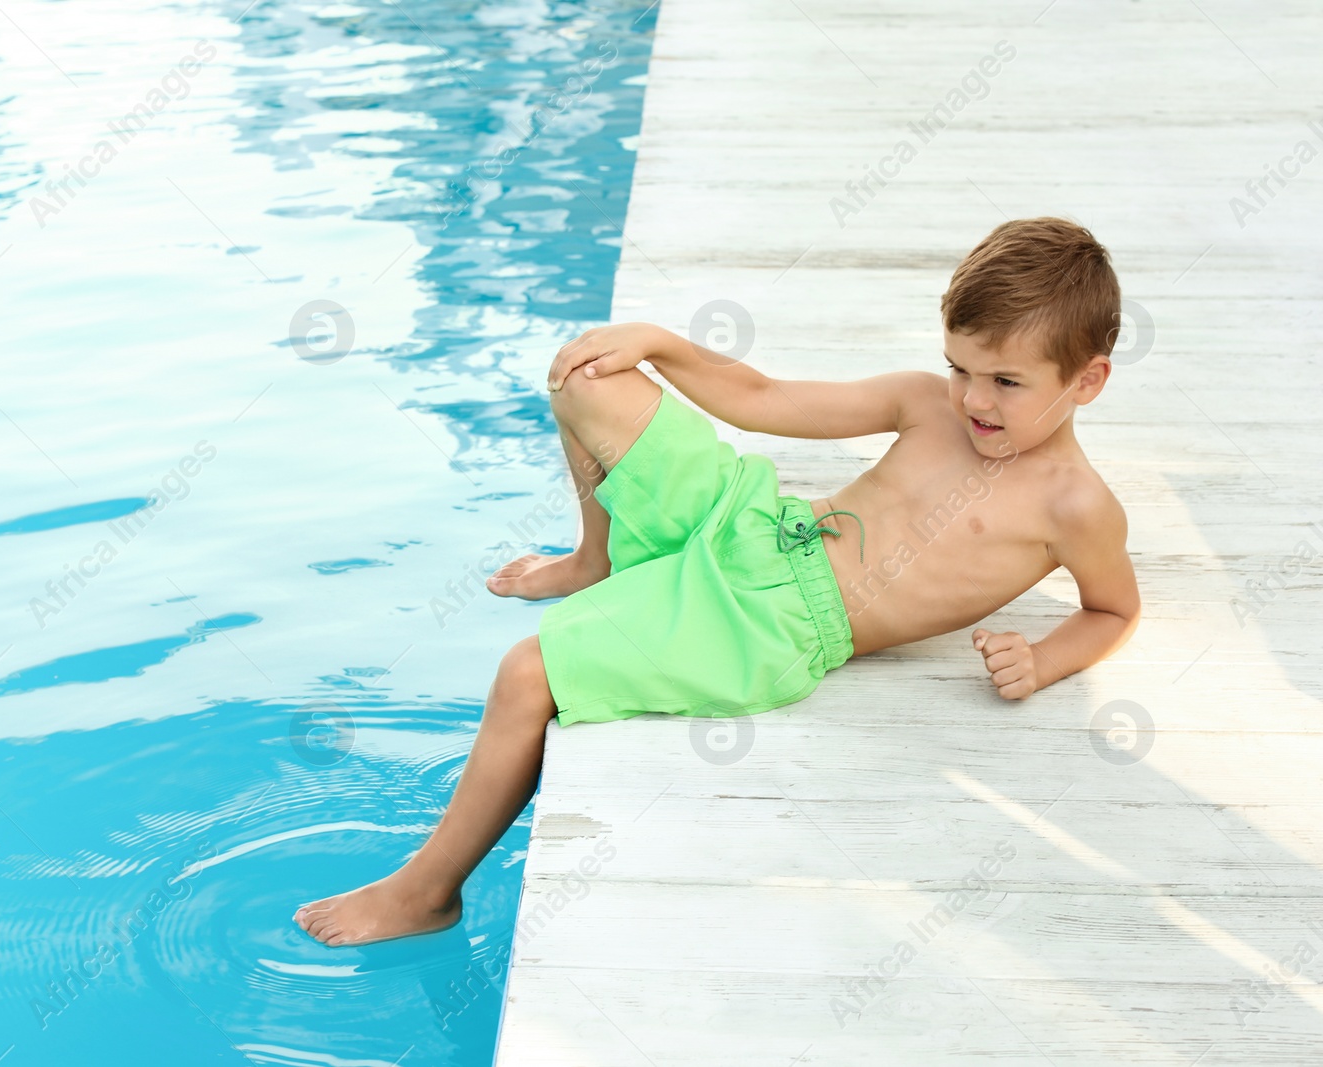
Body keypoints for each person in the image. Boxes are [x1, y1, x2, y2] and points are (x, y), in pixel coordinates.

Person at [294, 216, 1141, 947]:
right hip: (759, 521)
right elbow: (760, 396)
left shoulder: (1076, 507)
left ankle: (426, 890)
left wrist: (1046, 657)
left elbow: (1113, 609)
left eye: (1005, 382)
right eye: (960, 367)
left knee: (528, 672)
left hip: (774, 620)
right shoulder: (928, 403)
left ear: (1087, 380)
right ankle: (598, 555)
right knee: (587, 374)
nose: (972, 398)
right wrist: (660, 343)